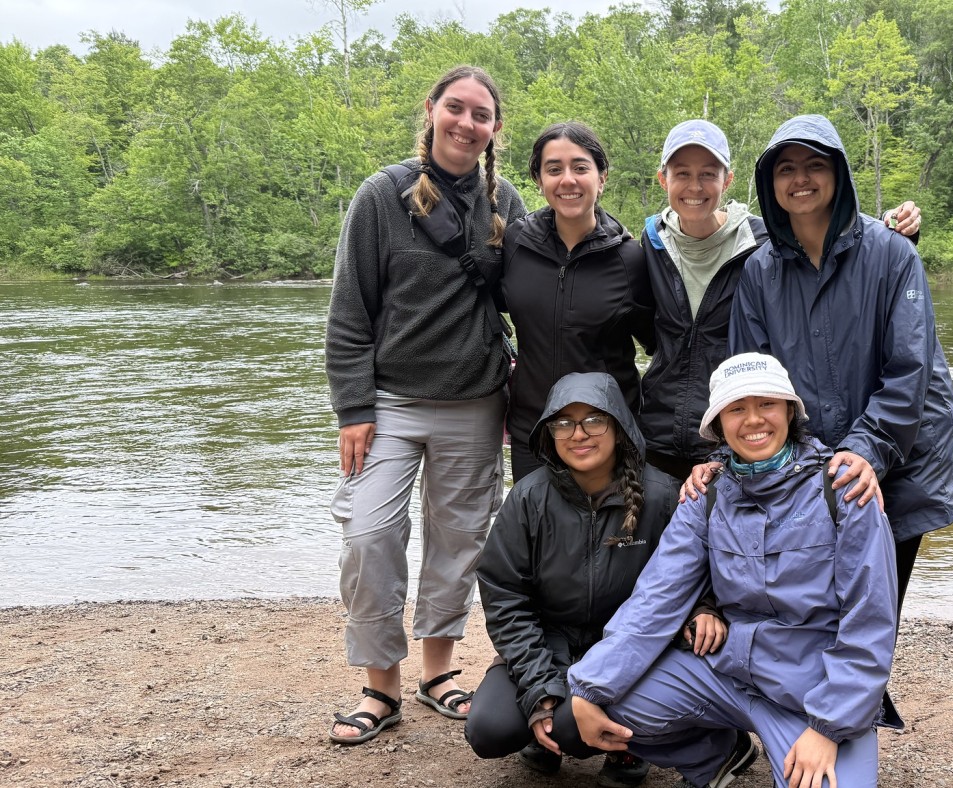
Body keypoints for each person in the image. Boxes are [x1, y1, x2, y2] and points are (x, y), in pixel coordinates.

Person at [569, 353, 901, 788]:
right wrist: (590, 687)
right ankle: (717, 755)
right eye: (737, 409)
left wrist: (827, 728)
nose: (753, 420)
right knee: (605, 708)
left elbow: (870, 625)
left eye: (767, 404)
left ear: (789, 411)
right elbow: (657, 597)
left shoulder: (843, 489)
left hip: (809, 693)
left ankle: (811, 737)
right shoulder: (707, 493)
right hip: (727, 673)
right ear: (718, 424)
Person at [324, 65, 527, 745]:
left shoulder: (506, 203)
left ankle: (438, 673)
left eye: (482, 114)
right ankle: (380, 684)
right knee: (369, 534)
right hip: (388, 403)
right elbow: (350, 311)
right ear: (432, 110)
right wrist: (353, 407)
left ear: (495, 129)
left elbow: (530, 298)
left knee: (459, 542)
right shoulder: (382, 195)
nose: (467, 123)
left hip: (475, 402)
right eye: (457, 108)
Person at [714, 114, 953, 616]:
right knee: (822, 612)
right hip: (810, 470)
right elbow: (752, 383)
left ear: (838, 173)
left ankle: (869, 694)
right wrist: (782, 465)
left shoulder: (893, 255)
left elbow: (910, 369)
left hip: (899, 462)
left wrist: (864, 453)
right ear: (770, 183)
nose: (800, 178)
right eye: (785, 168)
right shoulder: (760, 273)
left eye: (813, 165)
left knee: (875, 613)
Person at [467, 372, 726, 787]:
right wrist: (539, 687)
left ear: (619, 426)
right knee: (489, 729)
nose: (578, 434)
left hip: (628, 652)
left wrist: (704, 608)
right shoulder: (528, 498)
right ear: (548, 432)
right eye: (563, 423)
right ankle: (544, 719)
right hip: (548, 643)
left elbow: (697, 573)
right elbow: (505, 597)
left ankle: (629, 747)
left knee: (572, 728)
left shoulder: (663, 496)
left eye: (594, 420)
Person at [639, 118, 922, 485]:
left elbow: (909, 365)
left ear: (729, 180)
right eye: (787, 169)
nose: (695, 185)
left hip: (845, 457)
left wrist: (893, 229)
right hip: (674, 437)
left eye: (709, 173)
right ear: (663, 179)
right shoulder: (646, 248)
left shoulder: (756, 244)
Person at [500, 122, 655, 483]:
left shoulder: (630, 259)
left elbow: (660, 344)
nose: (567, 179)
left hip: (605, 436)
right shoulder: (515, 245)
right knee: (538, 537)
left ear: (601, 178)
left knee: (607, 539)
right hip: (533, 433)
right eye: (554, 169)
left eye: (580, 167)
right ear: (539, 180)